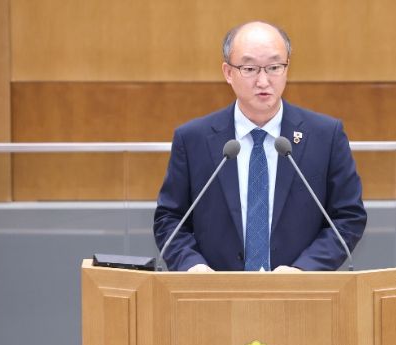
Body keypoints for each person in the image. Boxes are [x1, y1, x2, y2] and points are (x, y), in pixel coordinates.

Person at [154, 21, 367, 272]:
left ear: (287, 69)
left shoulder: (325, 136)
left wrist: (304, 270)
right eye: (250, 69)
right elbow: (170, 219)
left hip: (299, 290)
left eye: (274, 67)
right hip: (214, 290)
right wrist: (192, 266)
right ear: (228, 72)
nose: (263, 81)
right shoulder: (193, 139)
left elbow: (348, 217)